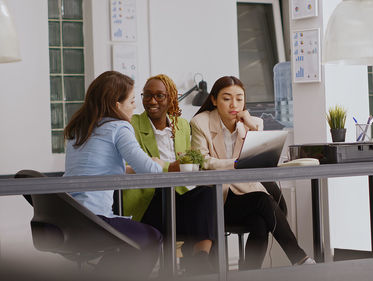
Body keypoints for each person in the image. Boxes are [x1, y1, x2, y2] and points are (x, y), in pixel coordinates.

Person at [190, 76, 315, 270]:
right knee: (263, 201)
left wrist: (250, 125)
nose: (234, 104)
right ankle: (299, 258)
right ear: (214, 100)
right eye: (227, 98)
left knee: (260, 223)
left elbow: (260, 158)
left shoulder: (252, 123)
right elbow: (203, 161)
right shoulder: (201, 122)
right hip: (215, 199)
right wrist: (236, 164)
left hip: (243, 194)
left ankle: (249, 274)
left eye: (239, 99)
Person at [63, 70, 163, 279]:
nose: (135, 106)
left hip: (67, 216)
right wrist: (157, 162)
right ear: (116, 105)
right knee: (151, 238)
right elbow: (152, 172)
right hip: (93, 218)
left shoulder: (80, 129)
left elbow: (92, 168)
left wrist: (128, 169)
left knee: (129, 243)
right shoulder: (119, 127)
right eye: (132, 101)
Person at [123, 74, 216, 273]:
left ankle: (200, 260)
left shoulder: (181, 125)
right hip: (149, 200)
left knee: (207, 195)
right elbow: (130, 166)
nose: (152, 101)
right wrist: (168, 167)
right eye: (147, 95)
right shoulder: (132, 125)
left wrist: (188, 163)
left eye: (159, 96)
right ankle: (194, 266)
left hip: (180, 196)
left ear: (171, 98)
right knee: (183, 203)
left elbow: (190, 160)